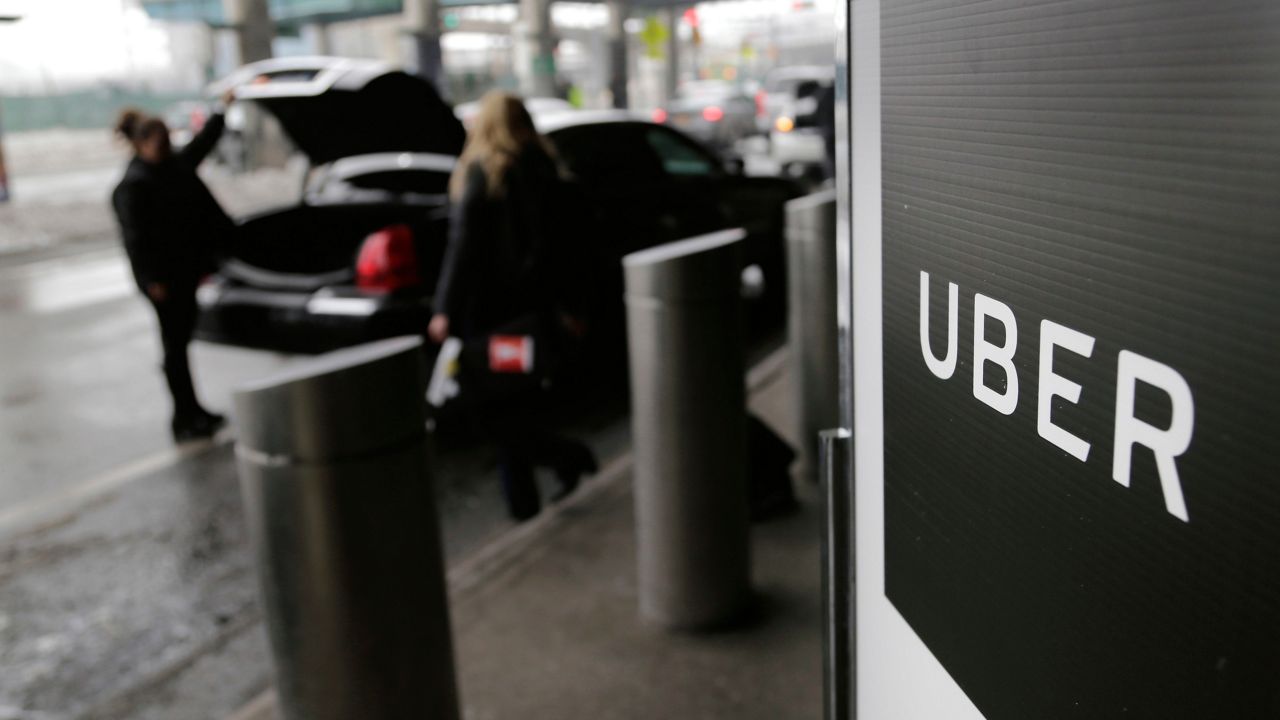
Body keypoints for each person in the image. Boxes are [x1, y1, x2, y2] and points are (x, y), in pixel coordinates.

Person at [429, 91, 597, 521]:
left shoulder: (483, 174)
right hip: (532, 314)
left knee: (493, 413)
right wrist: (569, 306)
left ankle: (558, 468)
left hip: (491, 316)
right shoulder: (547, 169)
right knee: (512, 404)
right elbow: (567, 248)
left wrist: (444, 308)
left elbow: (462, 247)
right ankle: (536, 491)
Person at [111, 91, 236, 442]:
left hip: (184, 272)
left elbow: (204, 143)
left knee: (180, 343)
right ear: (140, 144)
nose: (165, 146)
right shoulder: (133, 186)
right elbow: (135, 242)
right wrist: (152, 281)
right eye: (159, 141)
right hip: (162, 281)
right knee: (174, 348)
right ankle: (183, 417)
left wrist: (221, 110)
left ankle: (193, 411)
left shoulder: (171, 168)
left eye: (168, 140)